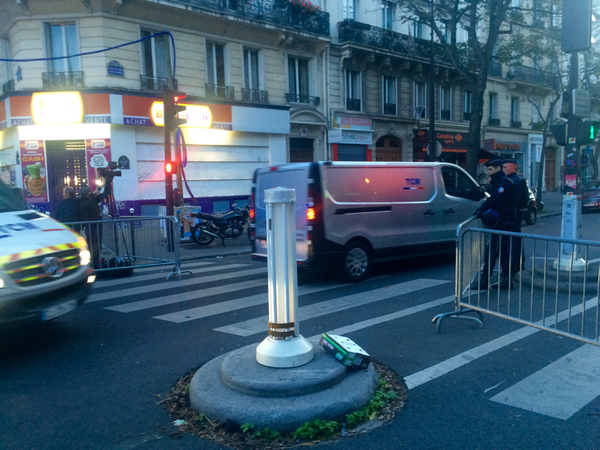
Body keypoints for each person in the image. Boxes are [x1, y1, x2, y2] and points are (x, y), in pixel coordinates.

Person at [471, 159, 518, 290]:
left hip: (503, 223)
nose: (488, 172)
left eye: (490, 169)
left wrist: (480, 210)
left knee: (492, 251)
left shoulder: (503, 183)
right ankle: (505, 280)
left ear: (498, 169)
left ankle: (487, 280)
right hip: (504, 222)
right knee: (501, 252)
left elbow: (494, 199)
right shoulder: (501, 182)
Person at [503, 158, 527, 276]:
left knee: (512, 241)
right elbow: (525, 200)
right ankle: (518, 265)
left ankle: (513, 267)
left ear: (512, 167)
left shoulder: (512, 181)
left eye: (505, 167)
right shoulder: (520, 180)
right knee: (516, 240)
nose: (503, 170)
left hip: (511, 214)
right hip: (515, 214)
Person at [78, 185, 104, 268]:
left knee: (98, 244)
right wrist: (93, 195)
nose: (91, 192)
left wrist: (107, 185)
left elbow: (103, 196)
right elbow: (88, 205)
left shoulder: (92, 199)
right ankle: (92, 262)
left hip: (97, 225)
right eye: (89, 191)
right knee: (92, 244)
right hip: (90, 227)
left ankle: (95, 260)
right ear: (85, 193)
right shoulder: (81, 202)